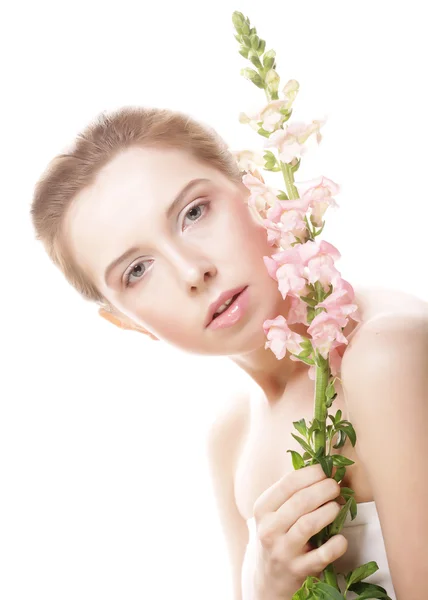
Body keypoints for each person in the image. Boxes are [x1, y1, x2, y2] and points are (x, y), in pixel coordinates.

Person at [30, 106, 428, 600]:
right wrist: (266, 585)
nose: (191, 271)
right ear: (127, 323)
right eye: (137, 269)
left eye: (193, 213)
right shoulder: (232, 437)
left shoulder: (383, 355)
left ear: (257, 190)